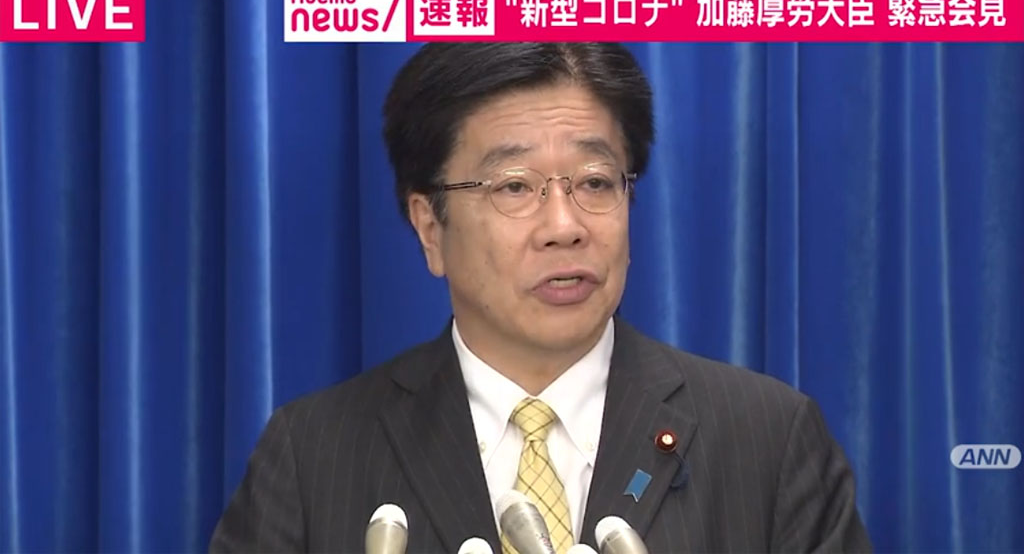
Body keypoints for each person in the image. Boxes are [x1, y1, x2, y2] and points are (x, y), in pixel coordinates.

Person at [209, 43, 872, 553]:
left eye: (595, 182)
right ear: (430, 227)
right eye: (515, 187)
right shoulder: (313, 456)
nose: (565, 225)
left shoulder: (767, 439)